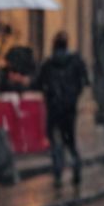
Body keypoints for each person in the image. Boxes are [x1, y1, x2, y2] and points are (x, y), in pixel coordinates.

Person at [36, 31, 90, 190]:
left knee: (54, 139)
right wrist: (74, 94)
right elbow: (84, 81)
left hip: (53, 106)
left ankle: (58, 170)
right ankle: (75, 167)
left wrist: (50, 93)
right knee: (70, 140)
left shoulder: (48, 63)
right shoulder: (76, 61)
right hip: (69, 107)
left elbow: (39, 83)